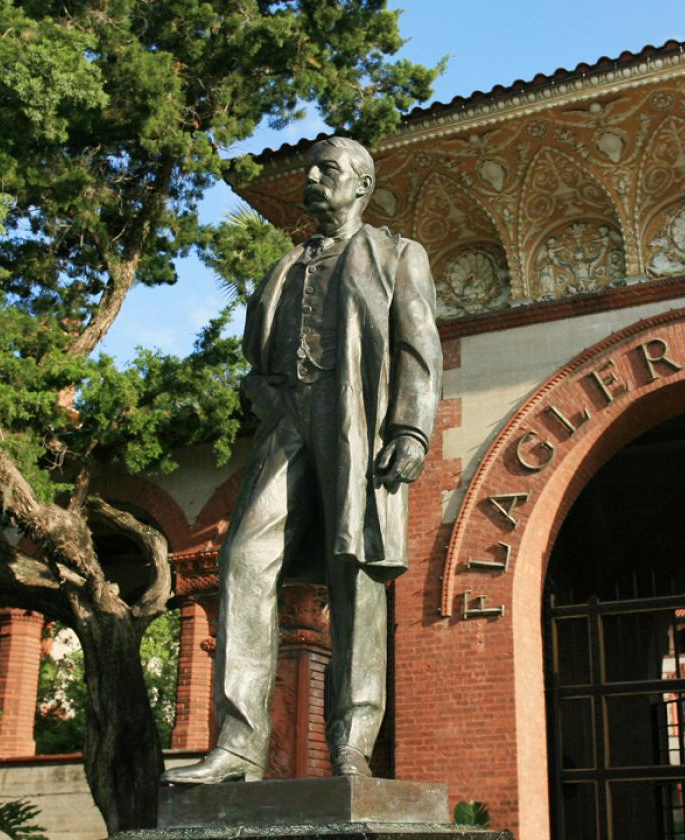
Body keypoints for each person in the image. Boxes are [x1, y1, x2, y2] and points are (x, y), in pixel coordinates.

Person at [162, 136, 442, 784]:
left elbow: (418, 346)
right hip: (289, 422)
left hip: (359, 426)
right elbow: (255, 361)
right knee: (242, 559)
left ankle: (351, 744)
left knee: (356, 579)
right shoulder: (285, 266)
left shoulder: (397, 256)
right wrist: (267, 395)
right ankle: (238, 743)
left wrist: (412, 430)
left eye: (329, 169)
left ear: (361, 186)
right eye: (310, 168)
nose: (313, 178)